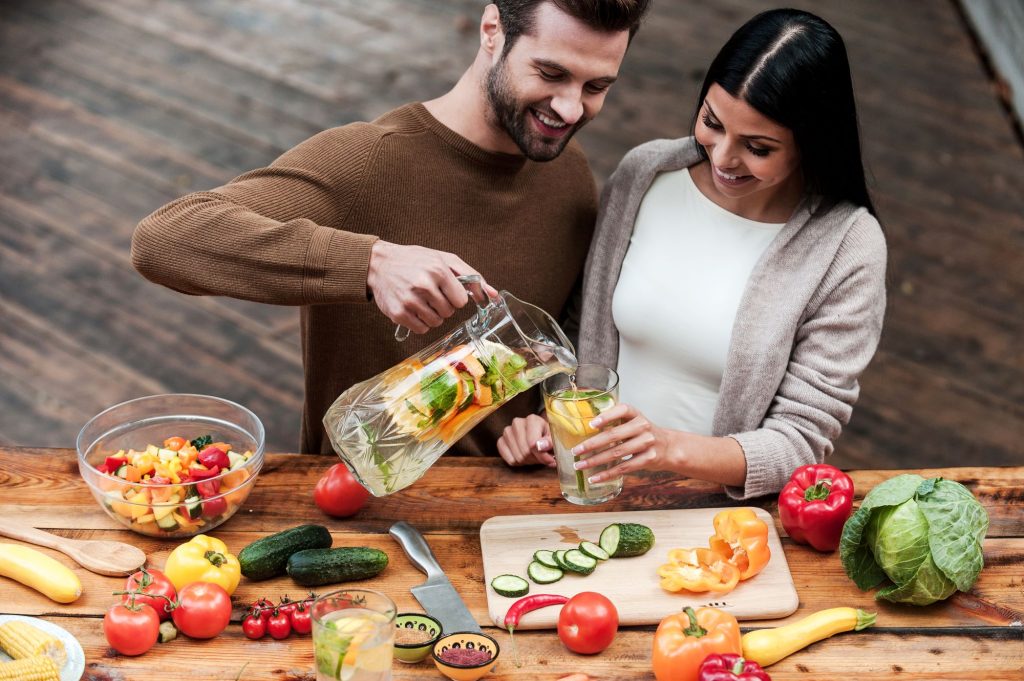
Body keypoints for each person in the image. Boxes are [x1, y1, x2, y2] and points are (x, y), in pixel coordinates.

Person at [132, 1, 651, 456]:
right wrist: (371, 263)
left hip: (506, 508)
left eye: (597, 86)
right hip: (361, 509)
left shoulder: (569, 171)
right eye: (550, 73)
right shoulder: (366, 161)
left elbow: (553, 337)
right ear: (492, 30)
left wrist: (543, 419)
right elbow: (164, 239)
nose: (570, 107)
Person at [496, 8, 888, 500]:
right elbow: (581, 333)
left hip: (713, 523)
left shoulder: (847, 246)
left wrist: (665, 448)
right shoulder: (645, 175)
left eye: (758, 148)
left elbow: (801, 441)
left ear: (811, 144)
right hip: (590, 497)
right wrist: (549, 423)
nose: (722, 157)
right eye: (712, 122)